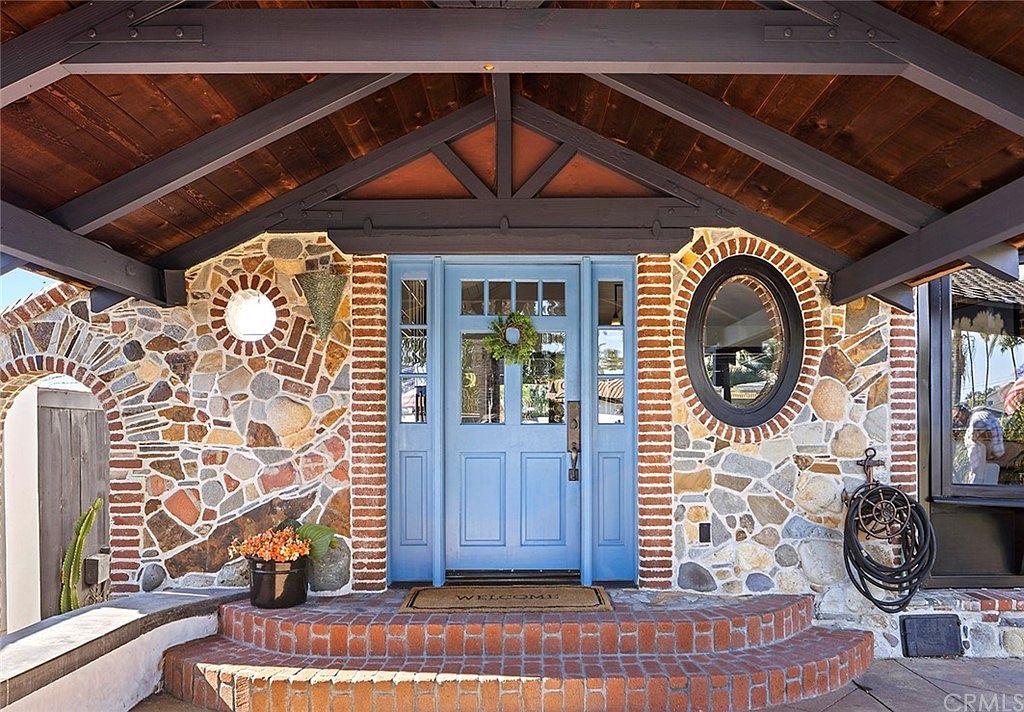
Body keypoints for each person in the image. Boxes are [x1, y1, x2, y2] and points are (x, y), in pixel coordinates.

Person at [963, 407, 1005, 485]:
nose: (957, 419)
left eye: (957, 415)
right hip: (992, 461)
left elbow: (983, 434)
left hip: (982, 469)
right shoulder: (986, 416)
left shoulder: (977, 418)